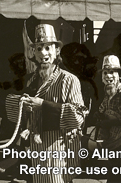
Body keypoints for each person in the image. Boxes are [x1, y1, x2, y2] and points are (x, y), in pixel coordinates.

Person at [5, 24, 88, 183]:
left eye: (48, 48)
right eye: (39, 48)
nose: (43, 53)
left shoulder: (69, 80)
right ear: (34, 53)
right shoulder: (30, 81)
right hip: (35, 149)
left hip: (59, 148)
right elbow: (16, 112)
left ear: (56, 51)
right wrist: (22, 103)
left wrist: (43, 104)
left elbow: (79, 116)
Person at [82, 55, 121, 182]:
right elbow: (102, 111)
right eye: (105, 73)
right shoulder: (108, 93)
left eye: (112, 72)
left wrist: (109, 122)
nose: (108, 76)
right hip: (113, 145)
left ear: (119, 75)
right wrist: (98, 116)